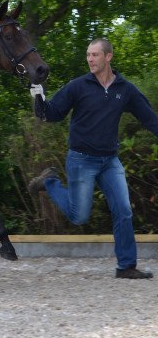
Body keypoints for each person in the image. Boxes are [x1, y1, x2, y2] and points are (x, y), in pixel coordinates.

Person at [29, 38, 158, 279]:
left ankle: (126, 266)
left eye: (95, 55)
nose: (90, 59)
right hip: (81, 160)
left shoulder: (125, 90)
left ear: (108, 57)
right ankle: (49, 182)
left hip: (110, 161)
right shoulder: (78, 86)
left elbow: (149, 119)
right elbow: (53, 113)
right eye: (88, 54)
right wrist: (38, 98)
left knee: (123, 210)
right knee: (79, 216)